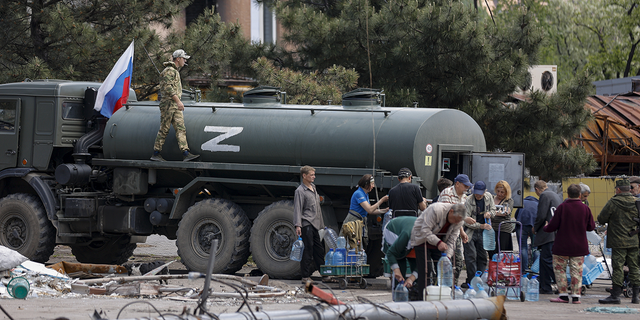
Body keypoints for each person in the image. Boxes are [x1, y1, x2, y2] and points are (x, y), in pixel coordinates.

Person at [543, 184, 596, 304]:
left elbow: (553, 226)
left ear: (567, 194)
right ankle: (576, 297)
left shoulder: (562, 207)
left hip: (562, 246)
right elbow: (591, 226)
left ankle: (563, 295)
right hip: (579, 247)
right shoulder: (585, 209)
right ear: (579, 195)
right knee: (577, 271)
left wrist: (545, 227)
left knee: (560, 270)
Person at [410, 202, 466, 300]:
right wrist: (438, 242)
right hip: (422, 239)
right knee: (426, 270)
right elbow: (425, 230)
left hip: (440, 243)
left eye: (459, 221)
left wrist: (447, 257)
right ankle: (422, 299)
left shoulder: (459, 221)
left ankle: (440, 296)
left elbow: (452, 239)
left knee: (443, 270)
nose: (456, 223)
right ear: (451, 211)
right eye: (455, 220)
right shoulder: (436, 210)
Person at [151, 49, 199, 162]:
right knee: (164, 129)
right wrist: (178, 101)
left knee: (180, 128)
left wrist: (177, 103)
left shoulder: (174, 71)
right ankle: (156, 153)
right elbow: (168, 88)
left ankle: (186, 153)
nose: (185, 60)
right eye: (184, 58)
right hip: (168, 104)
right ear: (178, 59)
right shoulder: (169, 71)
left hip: (174, 105)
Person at [597, 178, 640, 304]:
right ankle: (635, 296)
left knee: (618, 267)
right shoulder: (636, 202)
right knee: (635, 267)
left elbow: (601, 218)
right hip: (633, 240)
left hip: (618, 241)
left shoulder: (613, 202)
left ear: (618, 189)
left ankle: (615, 295)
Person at [438, 173, 474, 286]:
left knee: (458, 261)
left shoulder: (464, 197)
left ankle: (453, 286)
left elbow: (458, 218)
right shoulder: (447, 193)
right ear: (457, 184)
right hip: (443, 231)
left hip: (456, 230)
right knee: (444, 258)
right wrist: (465, 218)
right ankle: (440, 284)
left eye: (468, 187)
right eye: (465, 186)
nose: (467, 189)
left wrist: (462, 232)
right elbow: (448, 214)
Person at [293, 166, 325, 284]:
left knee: (319, 249)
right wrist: (298, 225)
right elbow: (297, 209)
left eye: (314, 174)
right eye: (311, 175)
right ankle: (305, 276)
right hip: (306, 223)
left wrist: (321, 225)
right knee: (308, 249)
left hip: (315, 224)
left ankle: (324, 273)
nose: (314, 177)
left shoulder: (314, 188)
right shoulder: (300, 191)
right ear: (304, 176)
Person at [463, 180, 496, 285]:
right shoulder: (468, 200)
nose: (478, 195)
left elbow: (494, 210)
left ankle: (480, 280)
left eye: (480, 193)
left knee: (482, 256)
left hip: (484, 232)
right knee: (471, 256)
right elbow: (466, 220)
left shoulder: (489, 197)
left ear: (485, 191)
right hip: (470, 231)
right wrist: (480, 225)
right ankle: (471, 280)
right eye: (476, 193)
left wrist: (489, 214)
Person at [533, 180, 562, 295]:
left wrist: (535, 227)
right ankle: (545, 286)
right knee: (544, 260)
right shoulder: (555, 195)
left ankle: (561, 283)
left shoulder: (544, 195)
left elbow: (541, 215)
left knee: (547, 259)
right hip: (555, 231)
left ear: (537, 189)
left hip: (548, 232)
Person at [383, 216, 418, 289]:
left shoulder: (426, 238)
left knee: (416, 265)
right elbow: (390, 253)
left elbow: (423, 263)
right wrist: (397, 271)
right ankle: (398, 292)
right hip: (393, 230)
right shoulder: (406, 235)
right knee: (401, 267)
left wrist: (412, 278)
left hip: (411, 235)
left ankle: (416, 291)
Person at [490, 180, 515, 258]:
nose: (499, 194)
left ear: (506, 193)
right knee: (491, 250)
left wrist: (491, 213)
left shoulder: (509, 201)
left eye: (502, 192)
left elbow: (505, 212)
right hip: (492, 229)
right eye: (498, 191)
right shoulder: (492, 198)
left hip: (503, 230)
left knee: (502, 252)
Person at [516, 195, 539, 272]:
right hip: (534, 226)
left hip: (521, 225)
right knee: (535, 248)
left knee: (523, 248)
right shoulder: (538, 204)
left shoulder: (522, 202)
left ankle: (524, 270)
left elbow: (516, 215)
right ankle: (536, 270)